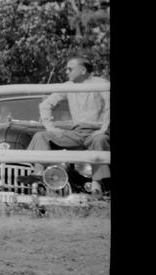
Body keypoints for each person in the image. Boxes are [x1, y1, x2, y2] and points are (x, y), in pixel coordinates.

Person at [25, 56, 111, 194]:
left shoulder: (101, 83)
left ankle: (97, 185)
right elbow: (45, 105)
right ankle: (39, 176)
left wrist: (103, 129)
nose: (66, 72)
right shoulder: (68, 86)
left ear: (83, 70)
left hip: (97, 131)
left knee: (99, 139)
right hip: (76, 132)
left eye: (70, 69)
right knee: (41, 136)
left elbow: (109, 106)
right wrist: (51, 127)